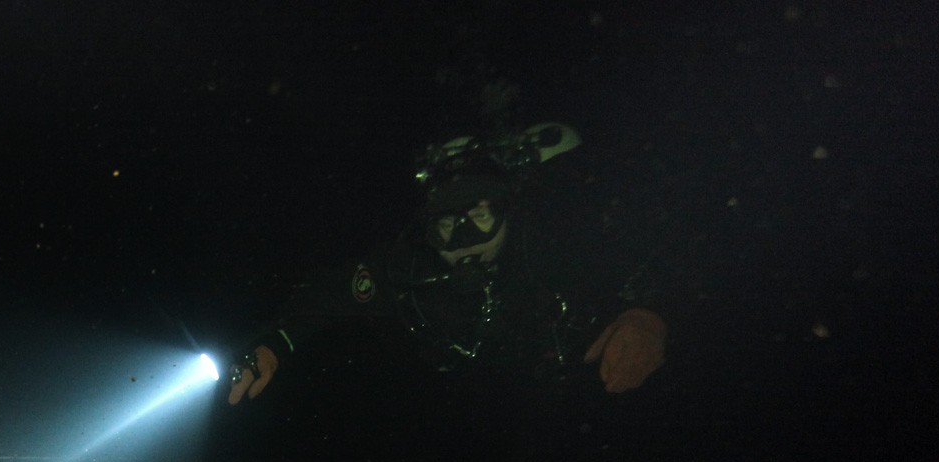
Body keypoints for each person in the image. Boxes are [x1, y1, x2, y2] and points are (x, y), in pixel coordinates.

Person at [226, 123, 671, 405]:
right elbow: (322, 298)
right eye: (444, 229)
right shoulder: (412, 269)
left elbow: (655, 254)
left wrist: (646, 317)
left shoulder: (550, 243)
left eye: (478, 219)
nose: (462, 245)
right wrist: (273, 346)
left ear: (506, 214)